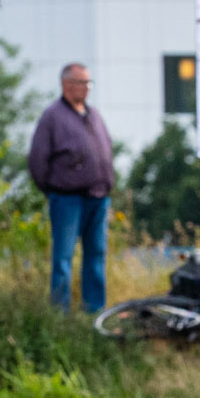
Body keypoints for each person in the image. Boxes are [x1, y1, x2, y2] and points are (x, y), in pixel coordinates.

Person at [28, 64, 116, 315]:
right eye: (82, 83)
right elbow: (37, 159)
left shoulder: (94, 115)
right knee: (63, 259)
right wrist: (55, 189)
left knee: (96, 256)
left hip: (98, 198)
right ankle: (60, 314)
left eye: (89, 83)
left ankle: (95, 312)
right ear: (67, 84)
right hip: (67, 199)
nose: (87, 88)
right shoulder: (53, 116)